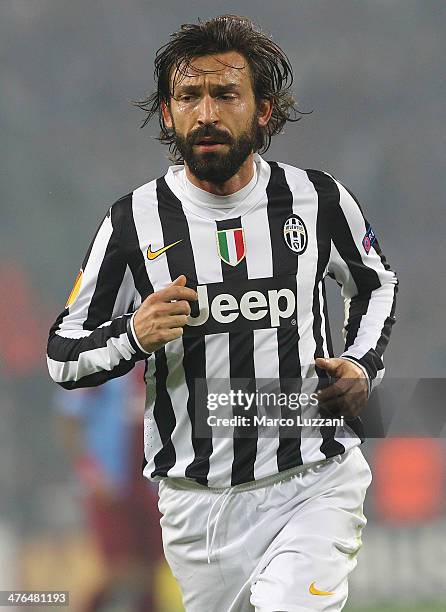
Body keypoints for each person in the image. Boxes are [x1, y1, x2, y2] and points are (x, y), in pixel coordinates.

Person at [47, 14, 398, 612]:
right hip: (195, 506)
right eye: (189, 95)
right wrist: (133, 334)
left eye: (225, 94)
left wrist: (363, 365)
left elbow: (375, 284)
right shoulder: (132, 222)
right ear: (167, 112)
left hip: (312, 480)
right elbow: (63, 355)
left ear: (263, 111)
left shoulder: (317, 199)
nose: (206, 112)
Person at [53, 368, 163, 612]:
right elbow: (68, 417)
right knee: (123, 570)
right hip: (110, 486)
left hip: (150, 487)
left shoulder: (160, 362)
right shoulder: (105, 360)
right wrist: (89, 470)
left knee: (151, 571)